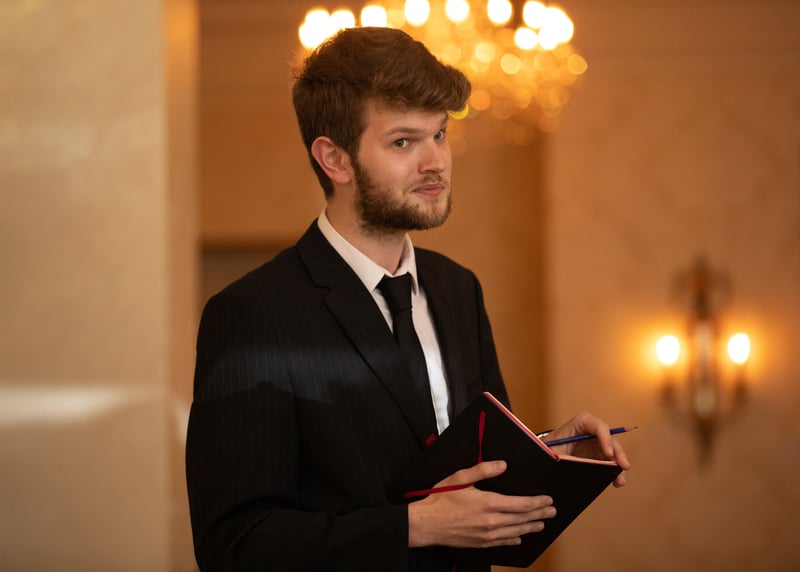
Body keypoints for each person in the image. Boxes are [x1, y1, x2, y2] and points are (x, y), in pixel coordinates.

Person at [185, 26, 630, 572]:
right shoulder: (252, 313)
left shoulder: (458, 288)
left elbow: (473, 469)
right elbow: (233, 544)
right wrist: (416, 526)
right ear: (335, 159)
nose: (435, 161)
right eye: (403, 142)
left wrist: (549, 454)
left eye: (439, 134)